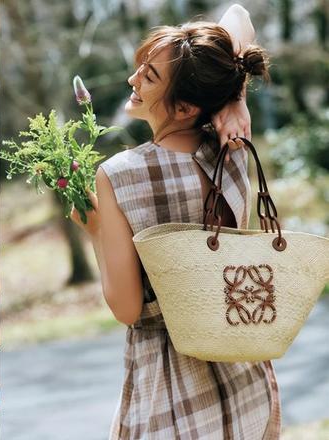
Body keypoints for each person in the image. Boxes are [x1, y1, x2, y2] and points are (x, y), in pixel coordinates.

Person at [71, 4, 279, 438]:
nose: (132, 80)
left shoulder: (120, 175)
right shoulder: (233, 148)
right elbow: (238, 16)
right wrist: (235, 100)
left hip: (172, 390)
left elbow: (127, 309)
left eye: (148, 77)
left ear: (184, 106)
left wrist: (95, 231)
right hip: (246, 374)